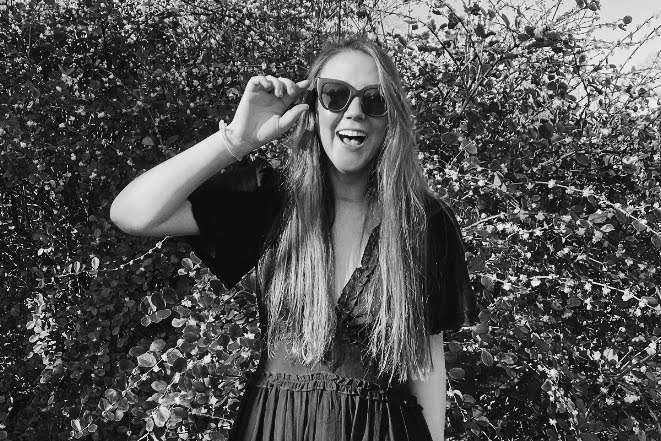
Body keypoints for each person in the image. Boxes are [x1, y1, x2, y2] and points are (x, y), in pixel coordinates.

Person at [110, 34, 478, 441]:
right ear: (313, 108)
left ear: (392, 117)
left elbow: (426, 363)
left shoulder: (423, 221)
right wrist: (236, 140)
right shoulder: (271, 200)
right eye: (335, 95)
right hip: (276, 427)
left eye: (375, 100)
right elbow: (133, 213)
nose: (355, 112)